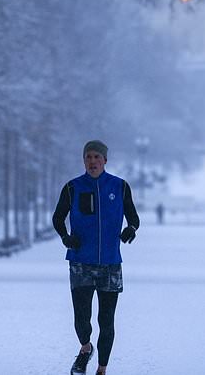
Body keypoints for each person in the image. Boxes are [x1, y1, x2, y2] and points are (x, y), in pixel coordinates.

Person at [52, 140, 140, 375]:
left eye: (96, 157)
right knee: (82, 319)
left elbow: (134, 217)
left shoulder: (120, 187)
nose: (92, 161)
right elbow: (57, 218)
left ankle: (102, 368)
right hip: (80, 261)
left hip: (110, 263)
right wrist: (65, 237)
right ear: (84, 160)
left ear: (105, 161)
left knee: (106, 320)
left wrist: (131, 228)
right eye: (88, 157)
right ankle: (85, 347)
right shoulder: (72, 188)